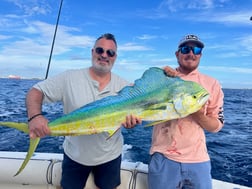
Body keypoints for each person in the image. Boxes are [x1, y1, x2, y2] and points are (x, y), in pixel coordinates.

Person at [26, 33, 141, 189]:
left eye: (110, 52)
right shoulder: (69, 77)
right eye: (100, 50)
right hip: (75, 156)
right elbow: (35, 91)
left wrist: (131, 124)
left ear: (115, 57)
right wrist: (35, 117)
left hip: (110, 157)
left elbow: (139, 111)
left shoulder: (127, 88)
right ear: (92, 52)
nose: (104, 55)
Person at [148, 34, 225, 189]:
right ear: (177, 54)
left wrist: (196, 114)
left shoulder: (212, 84)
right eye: (186, 49)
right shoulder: (164, 77)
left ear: (200, 55)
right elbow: (140, 103)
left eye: (196, 49)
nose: (191, 53)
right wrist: (161, 77)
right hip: (163, 157)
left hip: (198, 161)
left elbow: (216, 126)